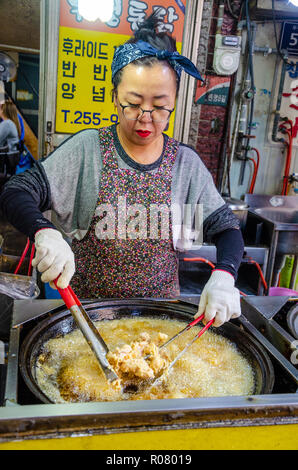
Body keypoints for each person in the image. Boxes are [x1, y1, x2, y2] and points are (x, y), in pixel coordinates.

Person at [0, 13, 244, 327]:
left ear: (175, 101)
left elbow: (227, 230)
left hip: (161, 321)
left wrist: (224, 275)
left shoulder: (185, 164)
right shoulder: (88, 149)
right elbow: (16, 191)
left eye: (159, 105)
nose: (146, 116)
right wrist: (45, 232)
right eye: (133, 102)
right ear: (115, 97)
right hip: (88, 320)